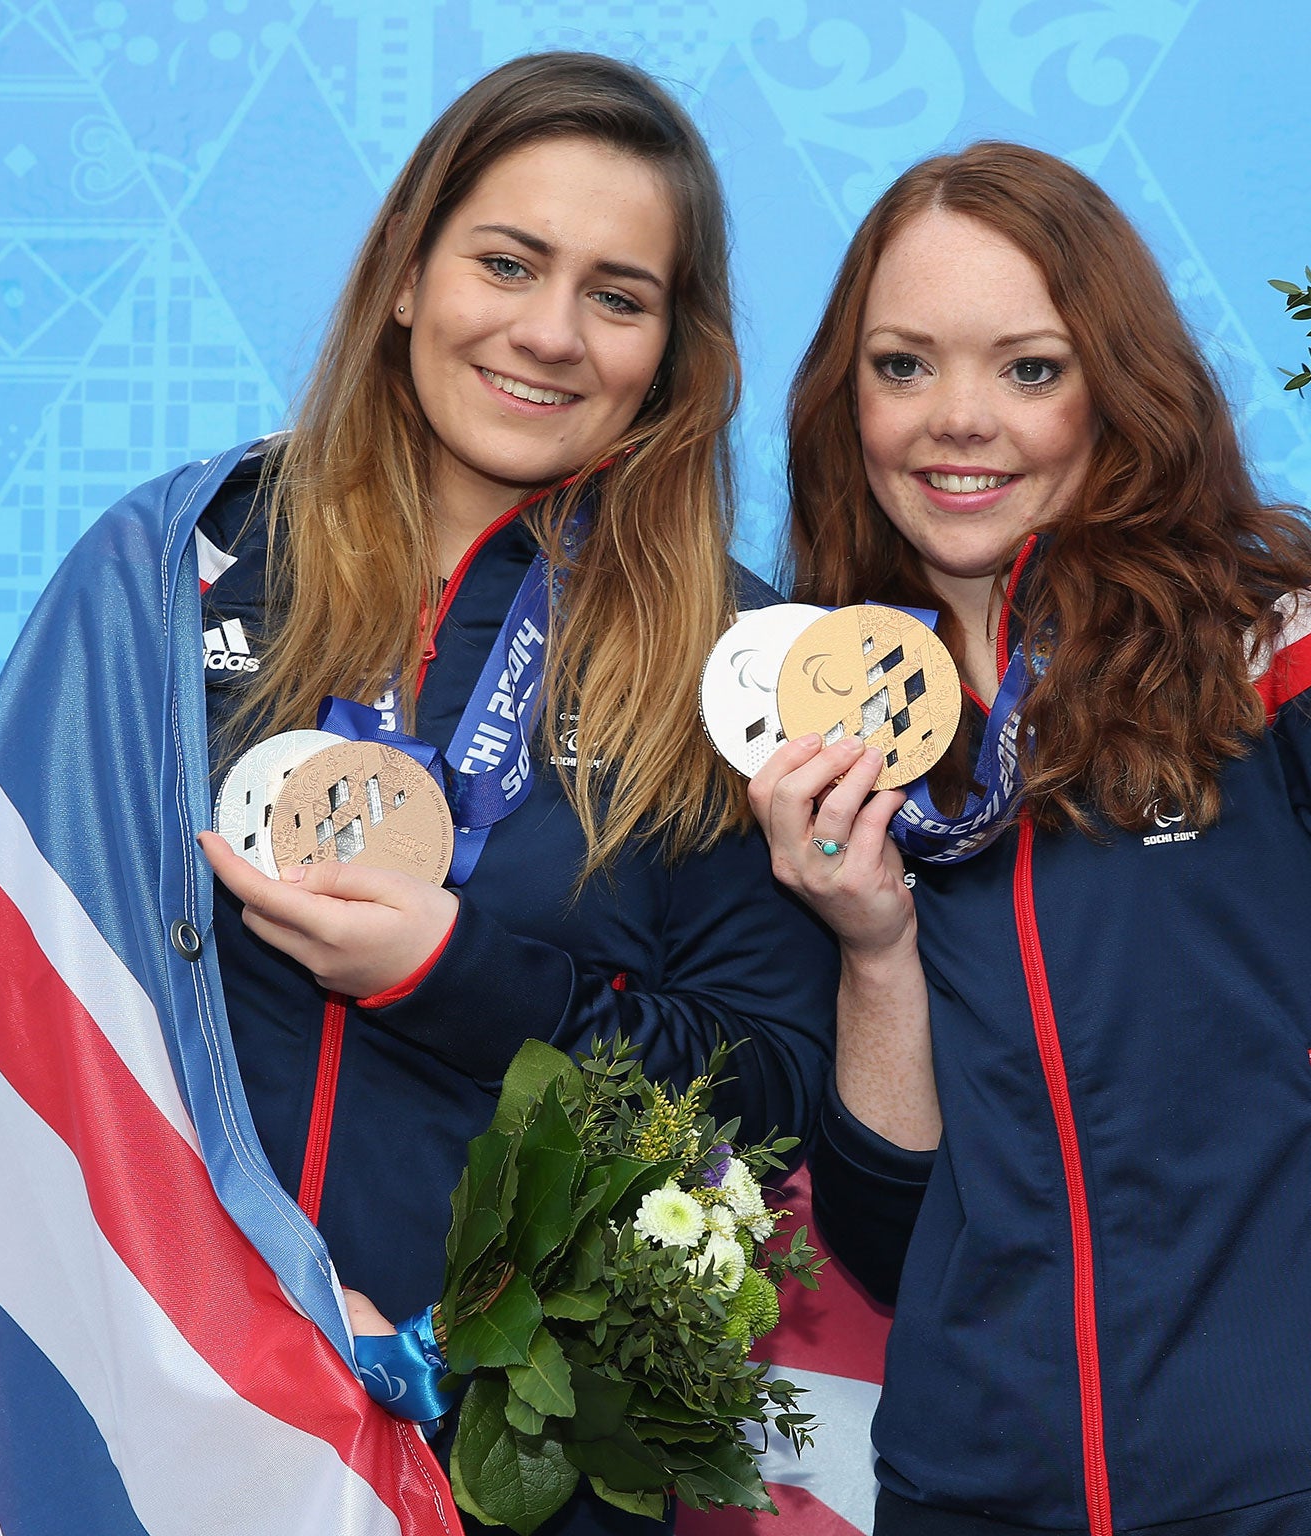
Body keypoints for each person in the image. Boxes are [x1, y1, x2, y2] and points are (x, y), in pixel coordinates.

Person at [748, 142, 1311, 1535]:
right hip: (975, 1487)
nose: (957, 422)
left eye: (1028, 367)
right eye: (902, 366)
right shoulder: (821, 726)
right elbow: (888, 1248)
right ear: (843, 397)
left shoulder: (1271, 646)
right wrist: (874, 947)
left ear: (1116, 390)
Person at [189, 53, 834, 1531]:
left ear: (673, 351)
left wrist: (453, 975)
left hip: (526, 1468)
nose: (549, 332)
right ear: (408, 275)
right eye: (508, 261)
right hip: (175, 1386)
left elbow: (765, 1086)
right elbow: (51, 984)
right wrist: (239, 1278)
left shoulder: (727, 667)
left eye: (618, 295)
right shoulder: (188, 569)